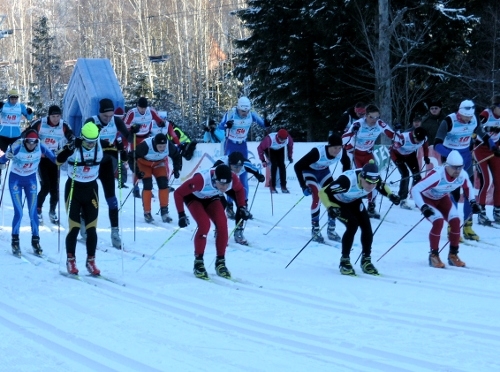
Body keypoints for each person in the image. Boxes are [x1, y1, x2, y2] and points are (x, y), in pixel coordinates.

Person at [319, 161, 400, 275]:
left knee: (367, 228)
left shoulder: (373, 178)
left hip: (353, 201)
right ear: (361, 177)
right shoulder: (346, 181)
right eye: (368, 182)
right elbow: (323, 192)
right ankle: (344, 261)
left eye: (374, 183)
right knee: (353, 225)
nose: (371, 186)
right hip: (337, 203)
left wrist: (391, 195)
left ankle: (366, 260)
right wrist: (330, 207)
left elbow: (381, 186)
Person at [173, 164, 250, 280]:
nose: (224, 187)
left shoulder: (233, 179)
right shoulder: (200, 180)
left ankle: (220, 262)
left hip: (211, 197)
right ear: (215, 179)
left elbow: (239, 190)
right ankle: (198, 263)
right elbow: (178, 193)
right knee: (204, 225)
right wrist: (181, 215)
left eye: (227, 184)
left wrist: (242, 207)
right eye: (221, 184)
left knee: (223, 225)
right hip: (194, 197)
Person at [411, 150, 480, 268]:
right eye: (455, 168)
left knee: (455, 221)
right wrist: (423, 207)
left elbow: (468, 187)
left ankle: (453, 255)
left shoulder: (462, 174)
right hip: (426, 199)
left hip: (442, 198)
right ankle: (434, 255)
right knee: (438, 222)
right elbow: (415, 190)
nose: (458, 171)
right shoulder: (437, 175)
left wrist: (473, 202)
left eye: (460, 167)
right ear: (447, 166)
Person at [56, 123, 103, 275]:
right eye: (88, 142)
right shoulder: (73, 147)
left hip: (91, 190)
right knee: (74, 227)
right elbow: (58, 160)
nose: (91, 145)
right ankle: (71, 260)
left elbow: (114, 152)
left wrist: (122, 151)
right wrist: (70, 147)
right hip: (73, 189)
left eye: (93, 141)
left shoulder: (98, 144)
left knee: (92, 229)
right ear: (81, 139)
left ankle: (91, 261)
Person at [0, 129, 56, 257]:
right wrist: (6, 157)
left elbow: (55, 159)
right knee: (19, 212)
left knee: (33, 212)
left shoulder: (40, 145)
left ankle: (35, 242)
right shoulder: (17, 145)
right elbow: (2, 160)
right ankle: (15, 241)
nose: (32, 145)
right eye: (29, 142)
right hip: (16, 181)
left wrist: (63, 154)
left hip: (31, 180)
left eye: (34, 142)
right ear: (25, 140)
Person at [82, 98, 129, 249]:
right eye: (105, 117)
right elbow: (84, 142)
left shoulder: (116, 121)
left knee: (112, 199)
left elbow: (127, 136)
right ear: (99, 113)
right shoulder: (91, 122)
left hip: (107, 164)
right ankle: (84, 223)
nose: (108, 119)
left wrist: (128, 139)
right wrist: (110, 146)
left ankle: (115, 232)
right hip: (91, 165)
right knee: (89, 198)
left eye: (110, 116)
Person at [434, 99, 479, 241]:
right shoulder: (448, 121)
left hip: (465, 157)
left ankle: (467, 226)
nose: (468, 120)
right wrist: (452, 156)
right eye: (466, 117)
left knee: (468, 190)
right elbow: (436, 145)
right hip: (451, 159)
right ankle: (452, 226)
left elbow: (481, 133)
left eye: (470, 117)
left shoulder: (473, 119)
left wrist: (493, 146)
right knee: (453, 192)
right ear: (460, 113)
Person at [218, 96, 269, 218]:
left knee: (243, 176)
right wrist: (227, 125)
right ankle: (229, 206)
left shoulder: (252, 114)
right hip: (230, 144)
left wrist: (267, 123)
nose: (244, 114)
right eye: (242, 111)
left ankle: (243, 206)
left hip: (242, 145)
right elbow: (220, 127)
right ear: (238, 108)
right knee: (231, 175)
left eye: (246, 111)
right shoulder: (231, 113)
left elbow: (263, 124)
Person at [294, 134, 351, 243]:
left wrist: (345, 180)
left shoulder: (341, 152)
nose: (337, 151)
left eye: (339, 148)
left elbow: (347, 164)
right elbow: (297, 166)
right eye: (335, 148)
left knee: (334, 195)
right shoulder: (317, 152)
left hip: (323, 172)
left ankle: (331, 229)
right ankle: (315, 228)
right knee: (317, 195)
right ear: (329, 146)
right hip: (309, 171)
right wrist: (303, 186)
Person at [341, 104, 396, 218]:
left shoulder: (380, 124)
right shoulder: (358, 124)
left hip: (368, 154)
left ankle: (371, 206)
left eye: (377, 117)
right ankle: (353, 204)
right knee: (359, 178)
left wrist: (397, 134)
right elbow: (344, 137)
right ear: (366, 116)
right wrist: (349, 138)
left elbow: (393, 135)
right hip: (356, 153)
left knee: (373, 178)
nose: (374, 120)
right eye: (371, 117)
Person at [124, 97, 180, 198]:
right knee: (135, 160)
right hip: (135, 138)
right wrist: (132, 128)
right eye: (141, 108)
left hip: (146, 138)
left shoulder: (150, 111)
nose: (143, 110)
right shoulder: (132, 112)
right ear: (137, 106)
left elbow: (158, 119)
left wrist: (161, 123)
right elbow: (125, 125)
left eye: (144, 108)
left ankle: (148, 188)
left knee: (147, 162)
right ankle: (136, 188)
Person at [29, 105, 75, 225]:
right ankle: (37, 211)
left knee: (55, 187)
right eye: (53, 116)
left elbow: (71, 135)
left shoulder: (63, 125)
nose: (55, 119)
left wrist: (71, 141)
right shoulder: (40, 123)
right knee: (46, 186)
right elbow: (29, 134)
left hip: (54, 159)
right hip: (41, 159)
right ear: (48, 116)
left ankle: (52, 211)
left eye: (58, 116)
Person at [213, 151, 266, 245]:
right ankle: (219, 230)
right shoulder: (220, 164)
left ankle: (239, 231)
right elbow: (211, 177)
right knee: (222, 204)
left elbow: (256, 170)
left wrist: (259, 176)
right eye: (235, 167)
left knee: (242, 205)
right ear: (229, 164)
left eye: (239, 167)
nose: (237, 169)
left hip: (231, 184)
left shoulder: (245, 164)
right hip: (218, 184)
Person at [133, 133, 182, 223]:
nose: (162, 149)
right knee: (148, 185)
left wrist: (176, 169)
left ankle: (164, 211)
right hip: (144, 163)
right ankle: (147, 212)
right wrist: (137, 172)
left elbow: (176, 156)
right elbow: (132, 156)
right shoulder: (145, 146)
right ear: (155, 144)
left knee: (163, 184)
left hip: (158, 163)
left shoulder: (169, 146)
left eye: (164, 146)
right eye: (160, 147)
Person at [474, 95, 500, 225]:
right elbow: (475, 128)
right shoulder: (486, 114)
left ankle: (497, 210)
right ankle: (482, 211)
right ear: (495, 107)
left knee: (498, 180)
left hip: (494, 149)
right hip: (480, 149)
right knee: (486, 180)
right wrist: (489, 133)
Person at [390, 126, 430, 209]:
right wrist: (396, 160)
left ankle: (418, 199)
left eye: (420, 141)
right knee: (405, 174)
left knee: (417, 175)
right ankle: (402, 199)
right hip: (398, 156)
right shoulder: (403, 138)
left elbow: (425, 147)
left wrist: (426, 156)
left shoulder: (424, 138)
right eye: (417, 140)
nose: (418, 142)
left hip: (410, 155)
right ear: (414, 136)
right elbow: (391, 150)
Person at [0, 89, 34, 178]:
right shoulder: (3, 106)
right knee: (0, 157)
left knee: (19, 157)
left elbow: (29, 117)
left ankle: (20, 176)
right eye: (12, 98)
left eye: (15, 98)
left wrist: (30, 112)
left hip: (16, 136)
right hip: (3, 136)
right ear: (8, 98)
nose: (14, 100)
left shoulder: (21, 106)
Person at [257, 128, 294, 193]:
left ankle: (283, 186)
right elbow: (259, 148)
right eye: (281, 139)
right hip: (270, 149)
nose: (282, 141)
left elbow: (290, 146)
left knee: (282, 165)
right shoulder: (269, 139)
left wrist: (290, 156)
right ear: (277, 136)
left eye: (284, 140)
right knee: (274, 165)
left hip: (280, 149)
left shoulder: (288, 139)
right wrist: (263, 160)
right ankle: (272, 186)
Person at [113, 107, 128, 188]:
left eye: (121, 117)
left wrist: (124, 147)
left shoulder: (124, 125)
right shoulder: (111, 124)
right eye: (118, 117)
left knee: (122, 167)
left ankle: (121, 182)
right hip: (113, 149)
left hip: (122, 149)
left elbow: (126, 136)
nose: (120, 119)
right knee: (114, 166)